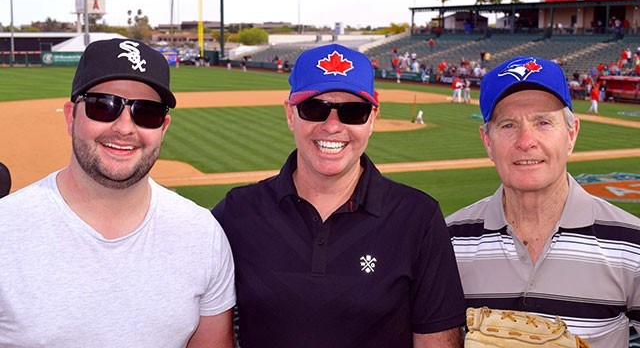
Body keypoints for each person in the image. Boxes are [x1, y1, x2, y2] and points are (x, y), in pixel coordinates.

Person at [213, 43, 466, 348]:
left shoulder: (418, 218)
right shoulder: (237, 212)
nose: (332, 126)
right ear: (290, 115)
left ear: (372, 118)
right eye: (314, 108)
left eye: (353, 112)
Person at [0, 38, 236, 347]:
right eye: (103, 106)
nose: (125, 128)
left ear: (163, 126)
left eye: (147, 112)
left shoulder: (203, 236)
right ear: (71, 116)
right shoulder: (7, 229)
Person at [446, 56, 640, 347]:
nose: (526, 141)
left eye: (543, 122)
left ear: (571, 134)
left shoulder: (631, 242)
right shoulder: (447, 240)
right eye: (508, 125)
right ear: (488, 141)